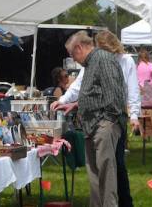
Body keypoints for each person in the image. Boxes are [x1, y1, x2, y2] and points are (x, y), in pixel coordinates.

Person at [53, 31, 139, 207]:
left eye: (72, 54)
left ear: (79, 47)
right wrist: (76, 104)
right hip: (93, 125)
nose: (73, 59)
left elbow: (114, 95)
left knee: (106, 177)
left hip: (104, 125)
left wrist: (106, 123)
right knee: (96, 176)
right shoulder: (91, 63)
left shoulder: (103, 59)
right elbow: (95, 92)